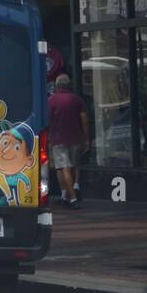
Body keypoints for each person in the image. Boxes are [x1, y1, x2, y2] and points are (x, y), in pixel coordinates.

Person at [47, 74, 90, 208]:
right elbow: (84, 119)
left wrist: (48, 139)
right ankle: (67, 194)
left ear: (57, 86)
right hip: (76, 139)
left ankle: (72, 198)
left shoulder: (52, 100)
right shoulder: (77, 100)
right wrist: (86, 138)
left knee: (63, 168)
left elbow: (47, 121)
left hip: (58, 140)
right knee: (72, 166)